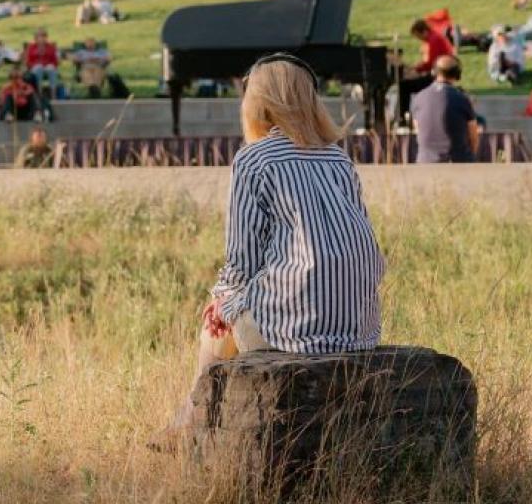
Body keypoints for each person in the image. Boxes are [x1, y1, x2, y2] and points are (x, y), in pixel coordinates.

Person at [157, 53, 386, 443]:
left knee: (214, 330)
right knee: (231, 309)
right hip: (359, 330)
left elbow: (242, 261)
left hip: (293, 330)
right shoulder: (337, 158)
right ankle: (190, 422)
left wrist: (221, 302)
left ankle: (191, 425)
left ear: (258, 103)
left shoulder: (254, 159)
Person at [411, 55, 478, 163]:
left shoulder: (418, 98)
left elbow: (418, 131)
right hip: (457, 162)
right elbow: (473, 136)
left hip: (425, 162)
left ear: (434, 72)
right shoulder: (462, 99)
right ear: (458, 75)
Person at [398, 19, 454, 124]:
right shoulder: (434, 37)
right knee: (407, 83)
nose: (419, 39)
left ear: (423, 31)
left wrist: (413, 69)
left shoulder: (433, 40)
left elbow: (430, 63)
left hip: (438, 76)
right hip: (439, 73)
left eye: (418, 36)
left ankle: (402, 118)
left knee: (404, 86)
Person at [25, 28, 61, 99]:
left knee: (51, 69)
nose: (42, 38)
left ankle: (53, 94)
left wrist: (51, 65)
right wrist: (34, 65)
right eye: (39, 36)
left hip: (48, 67)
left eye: (43, 36)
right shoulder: (31, 47)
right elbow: (28, 61)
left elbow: (55, 61)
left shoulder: (51, 47)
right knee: (38, 68)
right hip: (35, 67)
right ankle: (39, 94)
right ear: (35, 38)